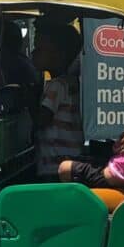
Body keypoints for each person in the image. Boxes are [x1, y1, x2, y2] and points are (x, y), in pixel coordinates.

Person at [30, 23, 83, 180]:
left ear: (58, 54)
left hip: (53, 165)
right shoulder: (72, 82)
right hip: (70, 160)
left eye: (39, 49)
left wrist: (29, 100)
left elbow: (42, 119)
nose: (33, 53)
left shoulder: (56, 85)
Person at [59, 111, 124, 188]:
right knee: (76, 159)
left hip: (110, 176)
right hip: (114, 168)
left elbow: (117, 148)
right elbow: (117, 148)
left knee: (65, 167)